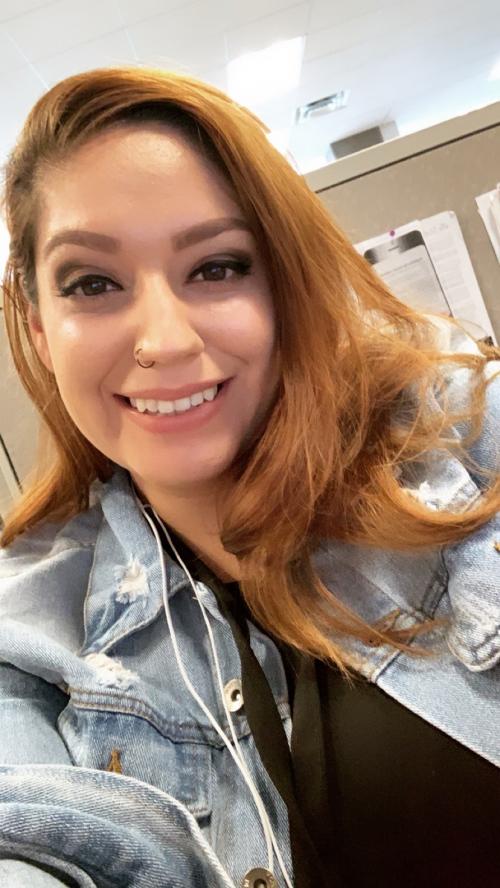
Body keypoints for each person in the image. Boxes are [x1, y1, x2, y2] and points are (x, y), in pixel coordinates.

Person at [0, 65, 499, 888]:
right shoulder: (31, 631)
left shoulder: (467, 438)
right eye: (93, 283)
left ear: (284, 283)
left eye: (217, 267)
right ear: (39, 330)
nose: (164, 341)